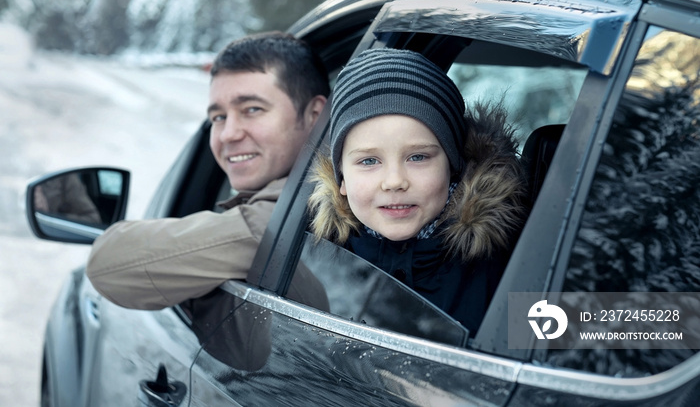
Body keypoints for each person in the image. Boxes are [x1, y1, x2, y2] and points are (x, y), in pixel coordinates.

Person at [86, 32, 329, 312]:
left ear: (314, 116)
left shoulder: (281, 220)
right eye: (218, 117)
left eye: (252, 109)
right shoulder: (349, 195)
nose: (228, 134)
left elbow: (108, 265)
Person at [307, 48, 528, 334]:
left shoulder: (515, 259)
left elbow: (594, 330)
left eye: (418, 157)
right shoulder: (318, 254)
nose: (394, 181)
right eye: (369, 161)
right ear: (341, 179)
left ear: (453, 165)